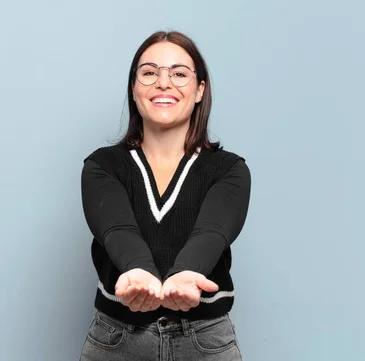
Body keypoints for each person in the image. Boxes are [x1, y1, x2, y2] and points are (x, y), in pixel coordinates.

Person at [79, 30, 251, 361]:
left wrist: (186, 272)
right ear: (134, 87)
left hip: (204, 343)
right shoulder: (103, 166)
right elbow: (117, 229)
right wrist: (138, 270)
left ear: (200, 89)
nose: (163, 83)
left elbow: (212, 232)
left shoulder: (228, 170)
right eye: (149, 73)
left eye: (179, 74)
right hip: (116, 341)